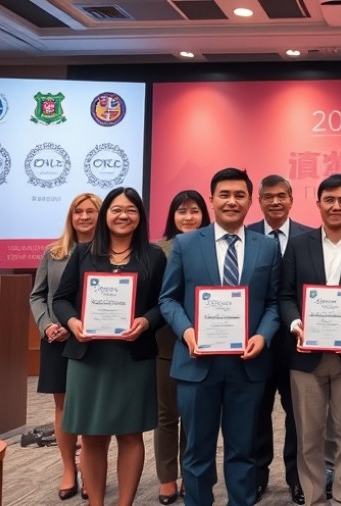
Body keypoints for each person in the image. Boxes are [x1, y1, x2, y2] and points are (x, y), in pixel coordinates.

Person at [159, 167, 281, 506]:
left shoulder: (266, 248)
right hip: (197, 364)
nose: (232, 201)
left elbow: (272, 303)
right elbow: (167, 298)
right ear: (211, 199)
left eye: (239, 195)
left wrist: (263, 336)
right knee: (197, 453)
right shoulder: (185, 244)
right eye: (224, 195)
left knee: (243, 452)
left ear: (249, 202)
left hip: (247, 366)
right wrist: (187, 332)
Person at [52, 187, 167, 506]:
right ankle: (96, 503)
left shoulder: (154, 256)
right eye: (117, 209)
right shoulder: (85, 253)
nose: (123, 215)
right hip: (89, 357)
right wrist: (73, 323)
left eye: (131, 210)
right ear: (106, 215)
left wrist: (145, 322)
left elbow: (162, 305)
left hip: (132, 357)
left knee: (131, 435)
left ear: (140, 217)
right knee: (91, 436)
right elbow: (61, 299)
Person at [280, 174, 341, 506]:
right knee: (309, 438)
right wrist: (296, 325)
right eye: (330, 200)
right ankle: (315, 498)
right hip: (306, 355)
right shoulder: (298, 244)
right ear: (318, 202)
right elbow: (285, 296)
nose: (337, 206)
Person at [30, 192, 101, 501]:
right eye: (78, 212)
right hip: (56, 338)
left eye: (90, 211)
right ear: (71, 218)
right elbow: (38, 295)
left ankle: (90, 469)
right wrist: (47, 325)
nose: (84, 217)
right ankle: (68, 468)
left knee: (89, 405)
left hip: (93, 340)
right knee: (63, 407)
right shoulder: (54, 252)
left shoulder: (109, 252)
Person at [248, 174, 312, 504]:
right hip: (255, 341)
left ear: (291, 198)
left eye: (281, 196)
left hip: (296, 342)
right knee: (257, 411)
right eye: (268, 196)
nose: (275, 201)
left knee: (297, 413)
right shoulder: (245, 238)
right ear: (259, 202)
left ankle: (297, 477)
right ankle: (258, 474)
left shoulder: (308, 238)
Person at [155, 190, 210, 504]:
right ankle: (166, 477)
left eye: (194, 210)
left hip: (205, 343)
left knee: (195, 415)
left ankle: (191, 474)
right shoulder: (157, 250)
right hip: (165, 343)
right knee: (167, 415)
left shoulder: (212, 246)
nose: (188, 217)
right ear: (172, 216)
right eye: (181, 211)